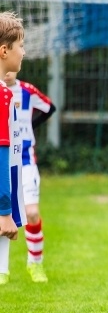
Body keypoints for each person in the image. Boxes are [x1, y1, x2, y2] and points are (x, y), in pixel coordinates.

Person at [4, 71, 56, 283]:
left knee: (32, 213)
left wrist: (30, 126)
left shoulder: (27, 91)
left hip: (25, 160)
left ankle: (35, 264)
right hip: (2, 160)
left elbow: (49, 108)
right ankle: (2, 270)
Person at [0, 12, 27, 287]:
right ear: (4, 50)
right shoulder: (3, 95)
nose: (24, 51)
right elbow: (2, 153)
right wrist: (5, 212)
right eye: (20, 45)